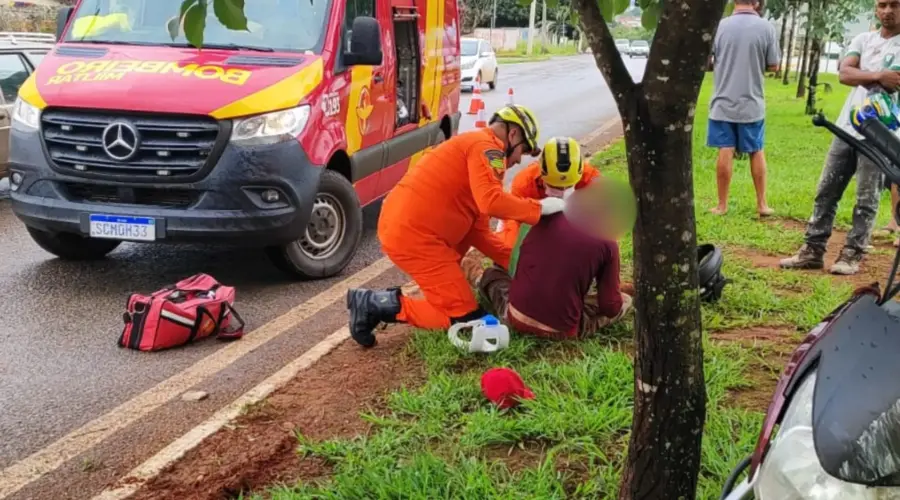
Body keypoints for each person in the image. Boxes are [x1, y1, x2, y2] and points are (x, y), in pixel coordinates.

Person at [347, 105, 566, 347]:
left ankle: (388, 301)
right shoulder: (488, 148)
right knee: (465, 319)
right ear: (513, 134)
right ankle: (373, 304)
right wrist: (540, 209)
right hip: (416, 236)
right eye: (522, 151)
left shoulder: (482, 151)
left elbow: (480, 231)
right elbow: (491, 201)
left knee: (468, 310)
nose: (517, 160)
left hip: (419, 232)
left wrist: (522, 265)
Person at [781, 4, 900, 275]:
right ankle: (812, 249)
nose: (888, 10)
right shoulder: (863, 40)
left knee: (866, 196)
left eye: (895, 4)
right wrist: (879, 76)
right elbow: (845, 73)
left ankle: (853, 253)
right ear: (875, 8)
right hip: (846, 127)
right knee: (826, 190)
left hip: (882, 134)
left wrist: (864, 75)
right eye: (882, 4)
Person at [461, 179, 634, 340]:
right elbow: (610, 307)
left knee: (494, 275)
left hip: (515, 316)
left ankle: (476, 276)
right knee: (624, 301)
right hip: (561, 330)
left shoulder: (546, 215)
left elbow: (518, 263)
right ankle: (622, 292)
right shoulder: (608, 243)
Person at [707, 0, 780, 217]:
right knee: (756, 150)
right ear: (757, 2)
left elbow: (708, 62)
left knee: (725, 148)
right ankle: (762, 204)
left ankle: (721, 205)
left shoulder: (719, 26)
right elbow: (774, 65)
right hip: (752, 102)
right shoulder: (767, 28)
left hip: (722, 102)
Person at [496, 137, 601, 248]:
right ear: (542, 173)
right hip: (535, 223)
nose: (562, 192)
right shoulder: (524, 183)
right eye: (555, 186)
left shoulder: (591, 178)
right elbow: (511, 222)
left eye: (568, 186)